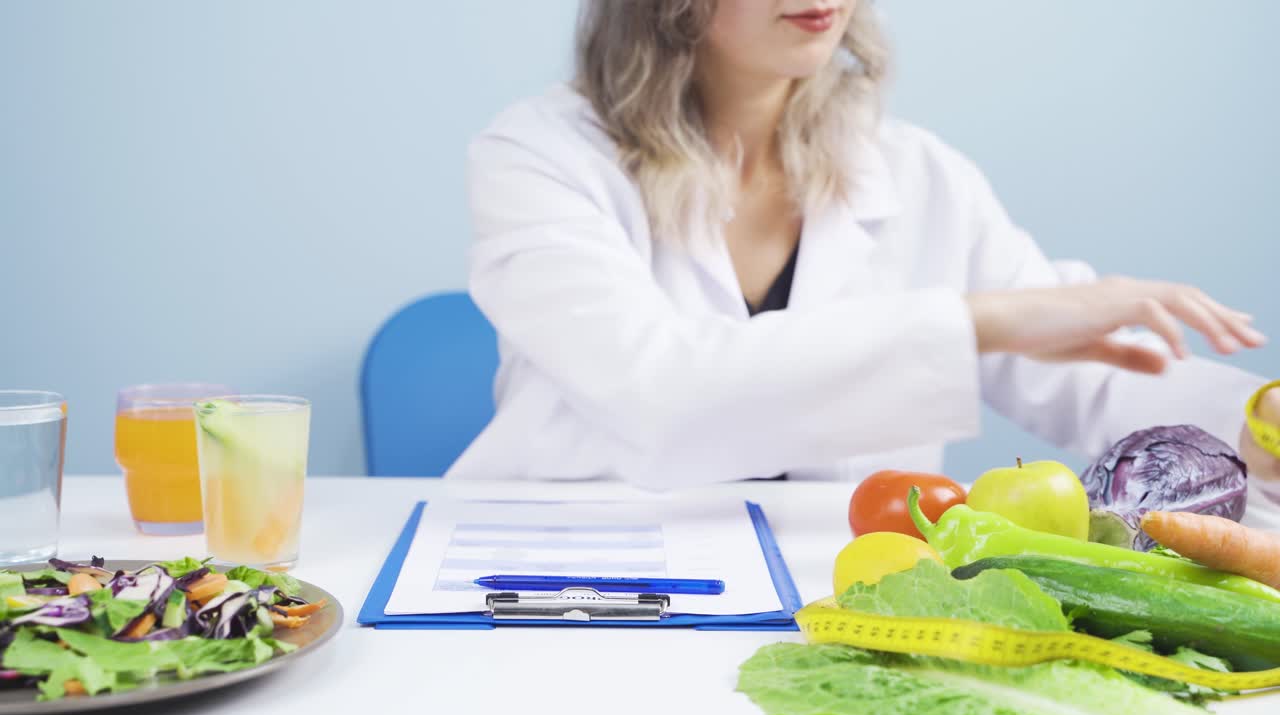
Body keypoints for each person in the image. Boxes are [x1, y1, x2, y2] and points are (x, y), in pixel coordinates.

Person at [446, 0, 1280, 494]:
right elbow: (658, 389)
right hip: (571, 580)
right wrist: (985, 318)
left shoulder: (912, 168)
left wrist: (1258, 427)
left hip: (835, 585)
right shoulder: (541, 156)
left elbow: (1087, 374)